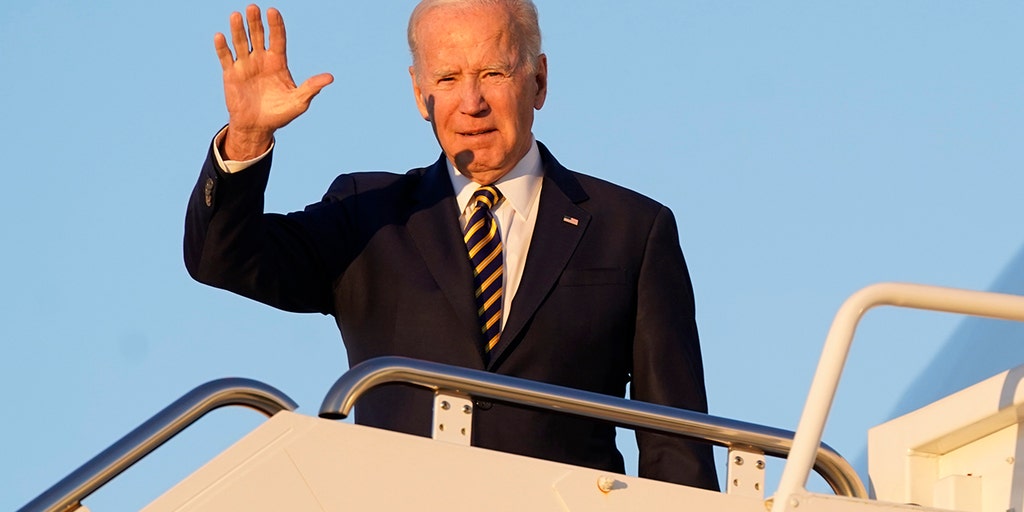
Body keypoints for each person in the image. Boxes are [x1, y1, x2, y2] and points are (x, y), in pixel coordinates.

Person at [185, 0, 718, 490]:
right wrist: (247, 138)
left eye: (493, 73)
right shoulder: (367, 213)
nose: (472, 103)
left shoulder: (631, 229)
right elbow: (222, 259)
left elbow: (676, 439)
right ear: (419, 93)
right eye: (447, 77)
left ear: (538, 80)